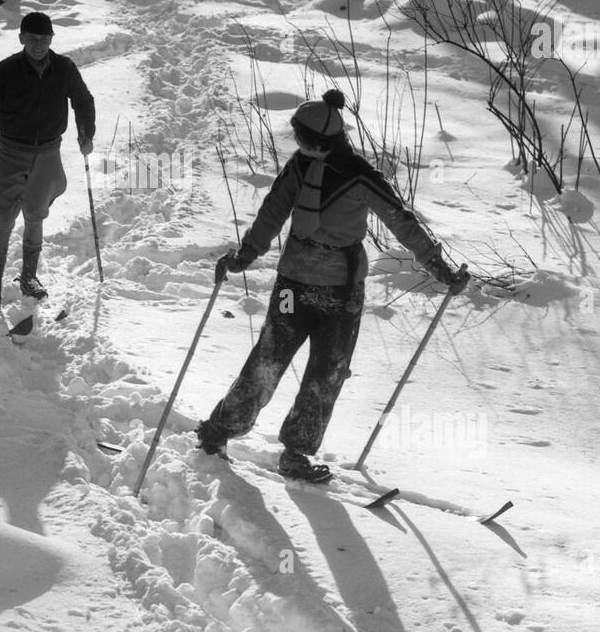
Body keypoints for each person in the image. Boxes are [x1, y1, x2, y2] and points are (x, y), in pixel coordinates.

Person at [197, 89, 468, 482]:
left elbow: (400, 222)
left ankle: (289, 451)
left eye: (301, 137)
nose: (297, 142)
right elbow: (274, 211)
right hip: (306, 288)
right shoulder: (311, 166)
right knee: (290, 364)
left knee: (317, 370)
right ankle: (222, 431)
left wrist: (436, 265)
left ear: (321, 141)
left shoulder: (353, 174)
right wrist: (245, 254)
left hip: (332, 292)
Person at [0, 11, 95, 314]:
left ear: (51, 39)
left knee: (36, 216)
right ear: (21, 39)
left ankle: (28, 277)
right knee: (4, 217)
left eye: (44, 39)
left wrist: (86, 133)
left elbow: (83, 100)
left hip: (48, 153)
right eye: (32, 38)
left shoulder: (64, 68)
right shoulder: (5, 71)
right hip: (11, 151)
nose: (39, 45)